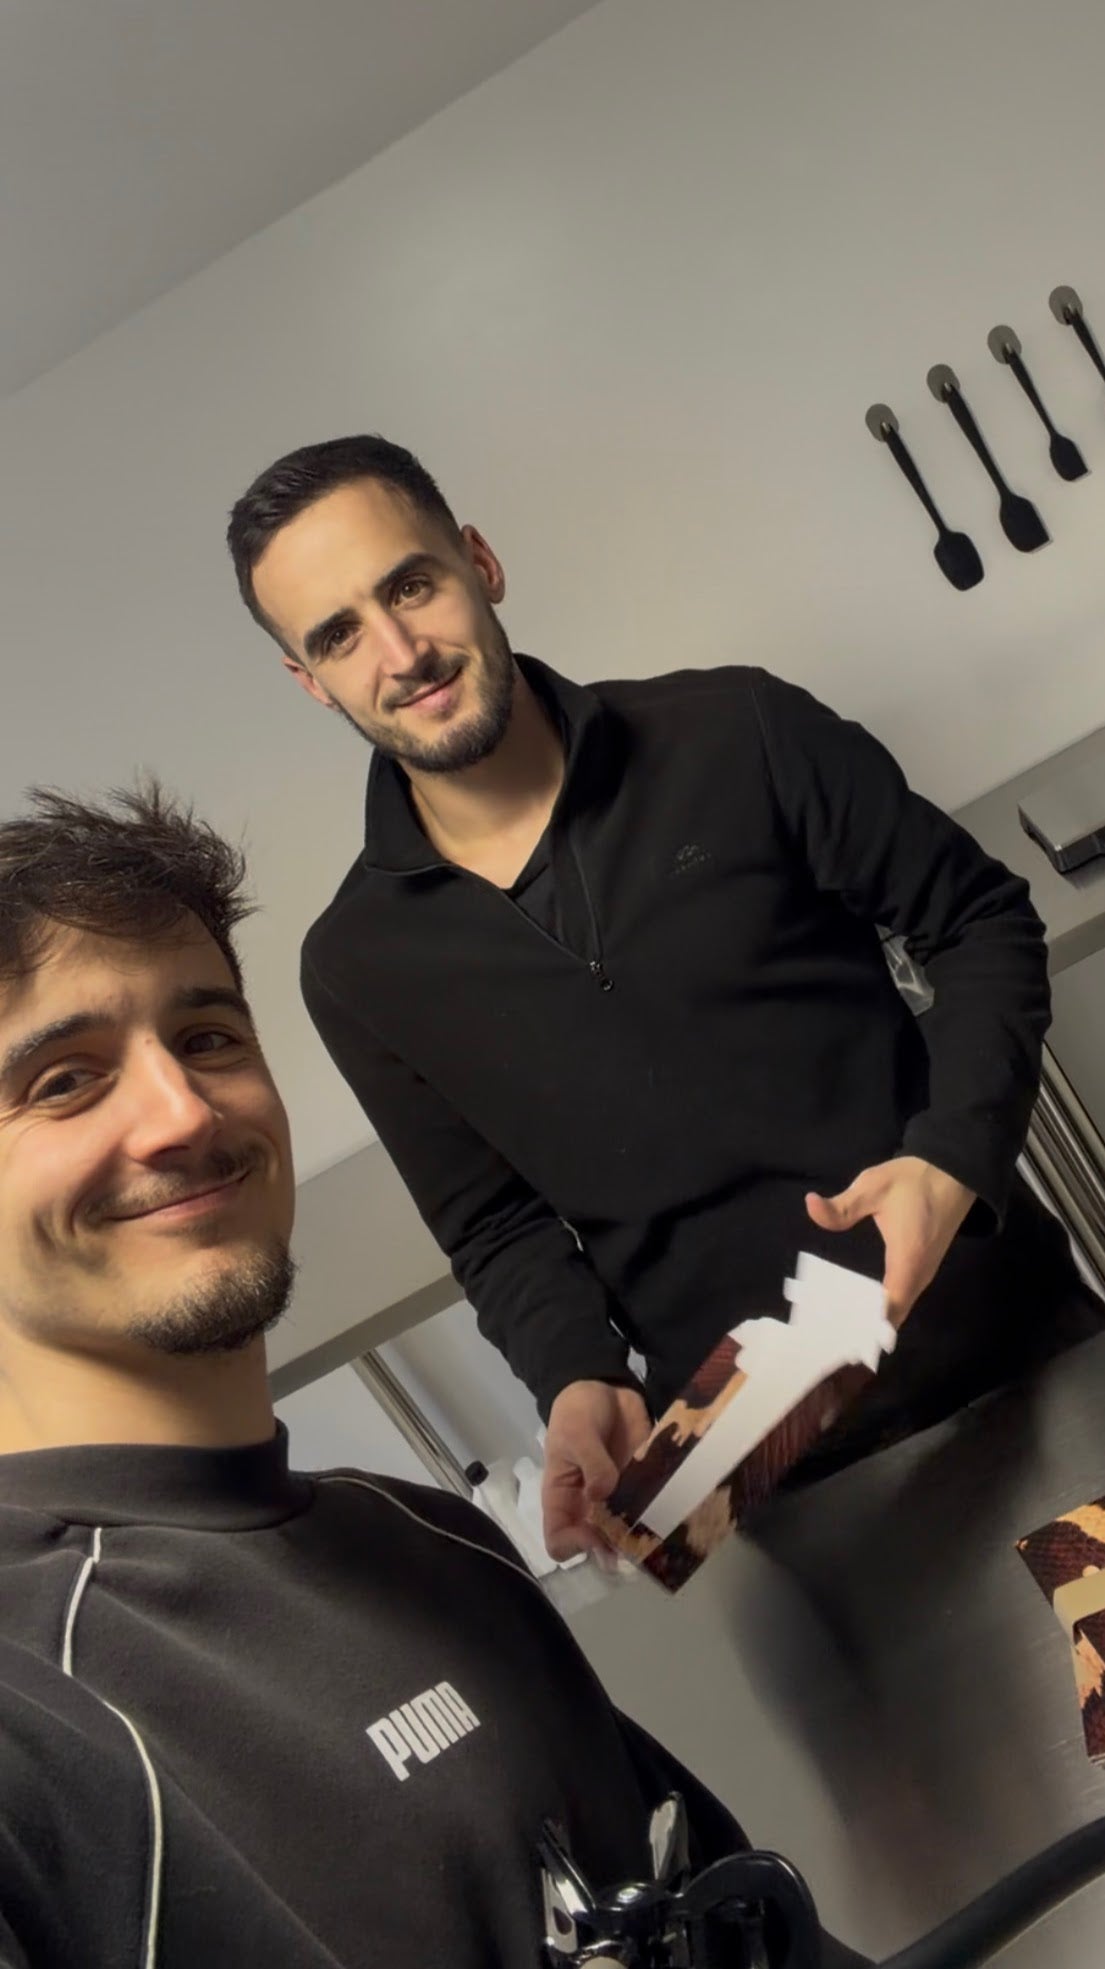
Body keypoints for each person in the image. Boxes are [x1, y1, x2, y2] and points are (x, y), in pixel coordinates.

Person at [0, 783, 868, 1969]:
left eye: (206, 1038)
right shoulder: (29, 1708)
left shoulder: (429, 1538)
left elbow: (737, 1918)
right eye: (63, 1078)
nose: (182, 1113)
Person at [226, 434, 1101, 1564]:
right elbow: (492, 1225)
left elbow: (977, 920)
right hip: (741, 1448)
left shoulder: (738, 730)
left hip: (994, 1326)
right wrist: (572, 1374)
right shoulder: (354, 966)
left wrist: (950, 1159)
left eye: (409, 585)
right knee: (885, 1687)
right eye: (339, 634)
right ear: (309, 679)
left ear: (479, 562)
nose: (400, 653)